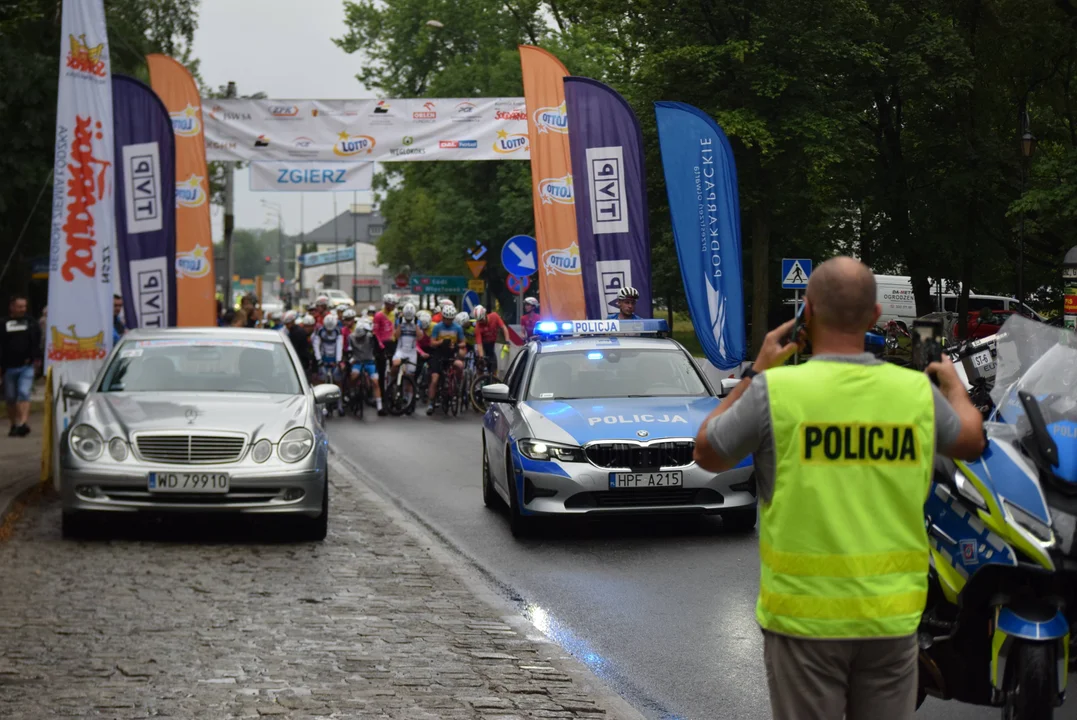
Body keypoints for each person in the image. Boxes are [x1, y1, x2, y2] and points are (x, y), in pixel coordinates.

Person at [692, 257, 985, 720]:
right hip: (891, 618)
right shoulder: (915, 394)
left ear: (805, 312)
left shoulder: (775, 392)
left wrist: (754, 374)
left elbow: (707, 451)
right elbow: (971, 441)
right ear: (874, 316)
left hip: (803, 620)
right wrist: (952, 387)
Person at [1, 295, 42, 437]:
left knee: (24, 393)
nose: (22, 309)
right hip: (9, 367)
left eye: (24, 306)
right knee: (10, 397)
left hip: (26, 366)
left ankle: (23, 423)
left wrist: (36, 360)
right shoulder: (4, 323)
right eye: (19, 306)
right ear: (12, 307)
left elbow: (36, 341)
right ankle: (14, 424)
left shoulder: (30, 323)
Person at [426, 305, 465, 415]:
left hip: (451, 354)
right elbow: (432, 343)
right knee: (435, 378)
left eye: (450, 319)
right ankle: (431, 402)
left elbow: (463, 343)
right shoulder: (437, 327)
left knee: (460, 366)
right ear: (442, 317)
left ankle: (457, 385)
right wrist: (441, 342)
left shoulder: (457, 328)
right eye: (446, 319)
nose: (448, 321)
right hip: (439, 355)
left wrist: (456, 345)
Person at [349, 319, 385, 416]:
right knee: (354, 375)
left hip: (370, 362)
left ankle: (379, 406)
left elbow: (378, 348)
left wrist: (374, 335)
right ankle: (352, 391)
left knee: (375, 382)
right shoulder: (351, 337)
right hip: (357, 361)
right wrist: (349, 359)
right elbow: (347, 350)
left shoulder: (370, 337)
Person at [313, 313, 345, 414]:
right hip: (323, 357)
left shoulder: (338, 331)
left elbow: (340, 346)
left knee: (338, 380)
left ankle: (340, 405)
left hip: (334, 358)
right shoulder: (320, 331)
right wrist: (319, 360)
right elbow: (316, 345)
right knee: (321, 381)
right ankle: (321, 405)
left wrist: (338, 360)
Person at [390, 303, 426, 386]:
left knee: (410, 377)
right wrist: (399, 324)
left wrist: (416, 325)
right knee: (395, 365)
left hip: (411, 352)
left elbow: (420, 337)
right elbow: (396, 336)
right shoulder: (399, 321)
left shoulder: (418, 322)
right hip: (401, 350)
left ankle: (408, 397)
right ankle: (391, 383)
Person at [472, 305, 509, 372]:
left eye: (481, 320)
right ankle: (479, 378)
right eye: (479, 321)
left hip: (491, 344)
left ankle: (492, 377)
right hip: (483, 345)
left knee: (493, 367)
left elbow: (504, 328)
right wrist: (482, 358)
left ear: (485, 315)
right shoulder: (478, 326)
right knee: (480, 364)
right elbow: (479, 344)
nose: (481, 322)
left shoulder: (494, 316)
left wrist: (507, 341)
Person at [373, 293, 398, 393]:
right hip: (381, 345)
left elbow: (394, 329)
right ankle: (382, 392)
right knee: (381, 370)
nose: (394, 306)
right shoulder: (378, 315)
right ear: (386, 304)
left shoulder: (393, 314)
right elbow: (375, 332)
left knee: (394, 366)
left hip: (391, 343)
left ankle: (393, 388)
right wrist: (380, 345)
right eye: (392, 305)